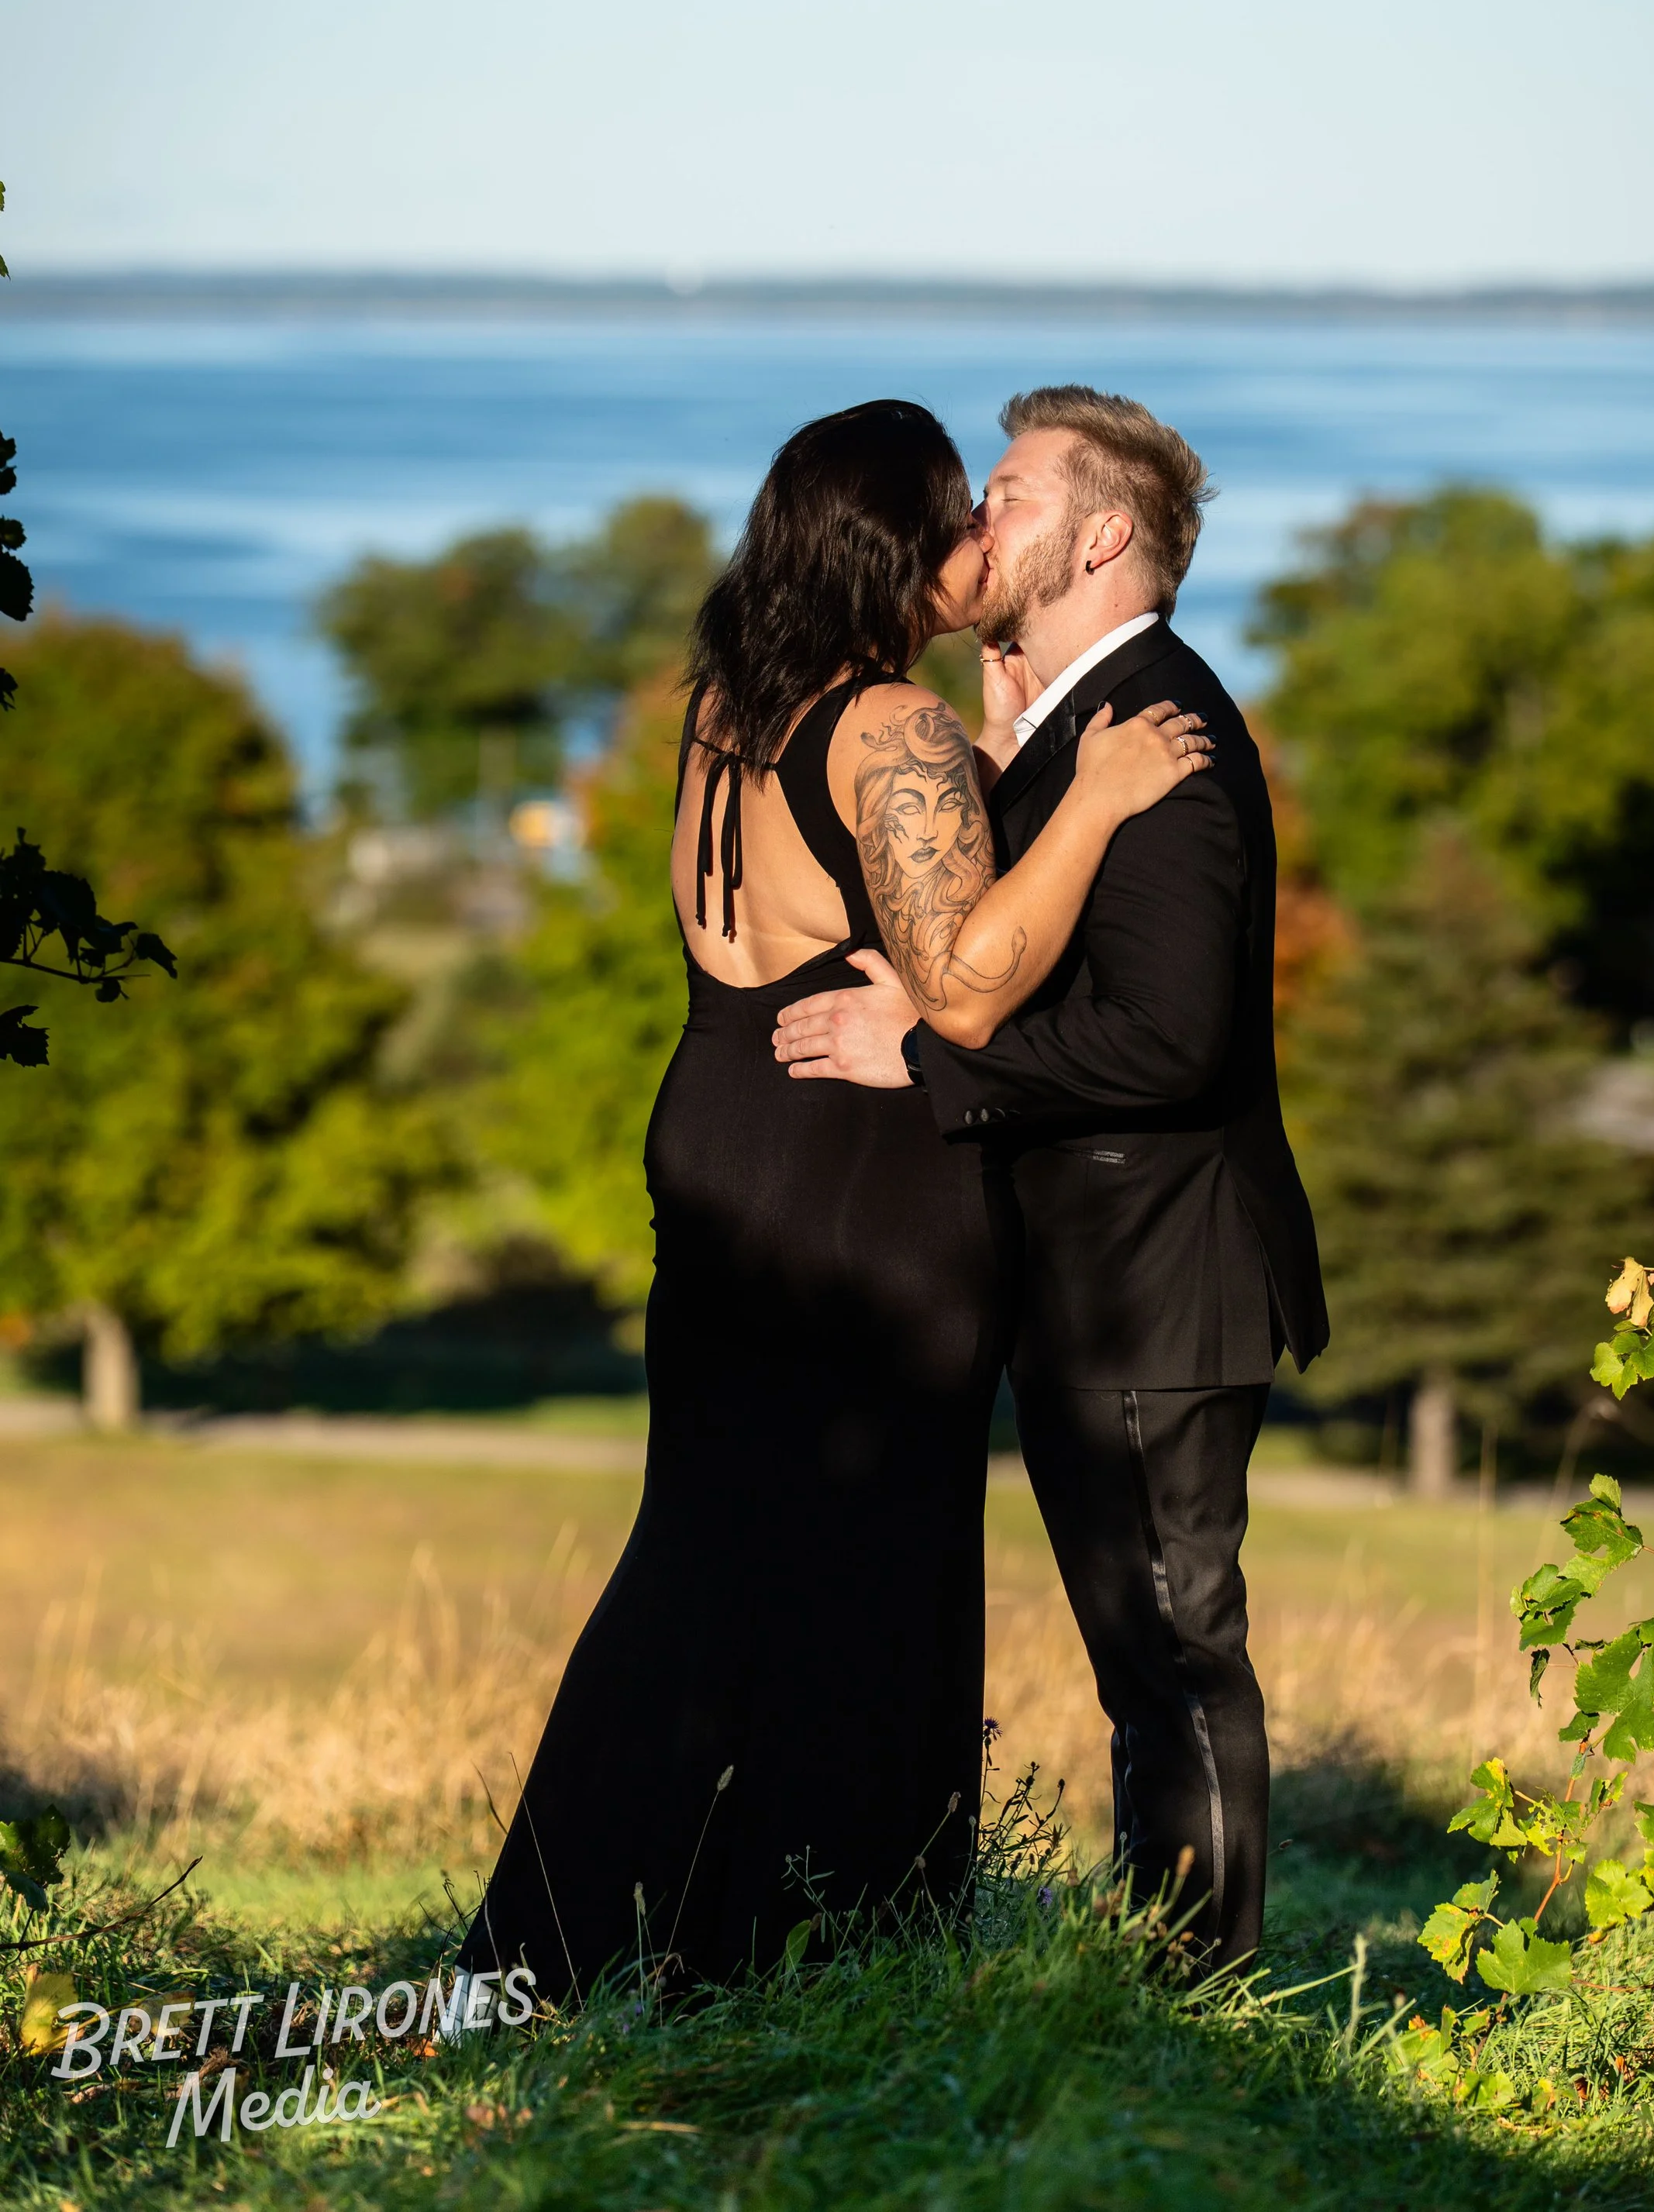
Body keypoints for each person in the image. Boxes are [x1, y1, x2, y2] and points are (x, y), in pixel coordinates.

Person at [459, 398, 1211, 1999]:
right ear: (896, 549)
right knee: (873, 1557)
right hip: (851, 1178)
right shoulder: (887, 728)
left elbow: (832, 895)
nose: (979, 547)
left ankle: (578, 1939)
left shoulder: (730, 701)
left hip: (718, 1125)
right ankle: (821, 1945)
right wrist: (1087, 796)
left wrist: (992, 764)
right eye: (959, 521)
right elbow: (963, 994)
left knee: (705, 1548)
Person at [774, 385, 1327, 1973]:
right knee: (1141, 1663)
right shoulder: (1090, 722)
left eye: (1002, 497)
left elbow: (1167, 1043)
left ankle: (1195, 1988)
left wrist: (925, 1059)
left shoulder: (1164, 736)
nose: (971, 528)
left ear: (1098, 536)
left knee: (1172, 1658)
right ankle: (1167, 1964)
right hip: (1103, 1281)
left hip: (1156, 1281)